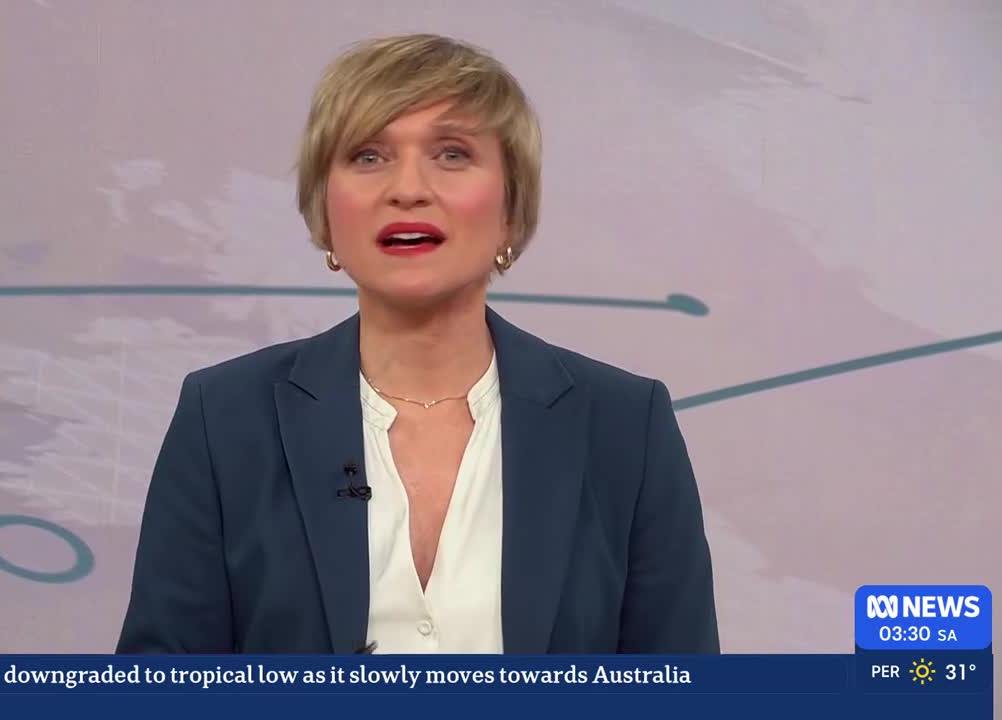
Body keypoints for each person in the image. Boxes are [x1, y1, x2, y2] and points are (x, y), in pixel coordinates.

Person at [115, 33, 718, 655]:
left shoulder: (624, 426)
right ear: (325, 209)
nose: (407, 189)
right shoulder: (225, 417)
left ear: (510, 209)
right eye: (369, 156)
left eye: (452, 154)